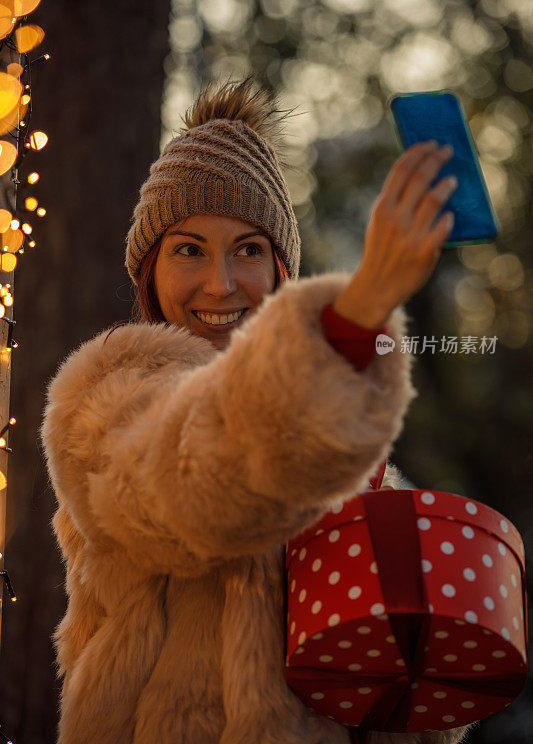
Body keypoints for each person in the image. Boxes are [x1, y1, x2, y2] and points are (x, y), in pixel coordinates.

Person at [41, 75, 471, 744]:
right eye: (189, 250)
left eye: (248, 250)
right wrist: (357, 311)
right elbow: (199, 480)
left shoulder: (331, 428)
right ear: (147, 270)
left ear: (279, 270)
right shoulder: (106, 395)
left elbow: (397, 688)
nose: (221, 283)